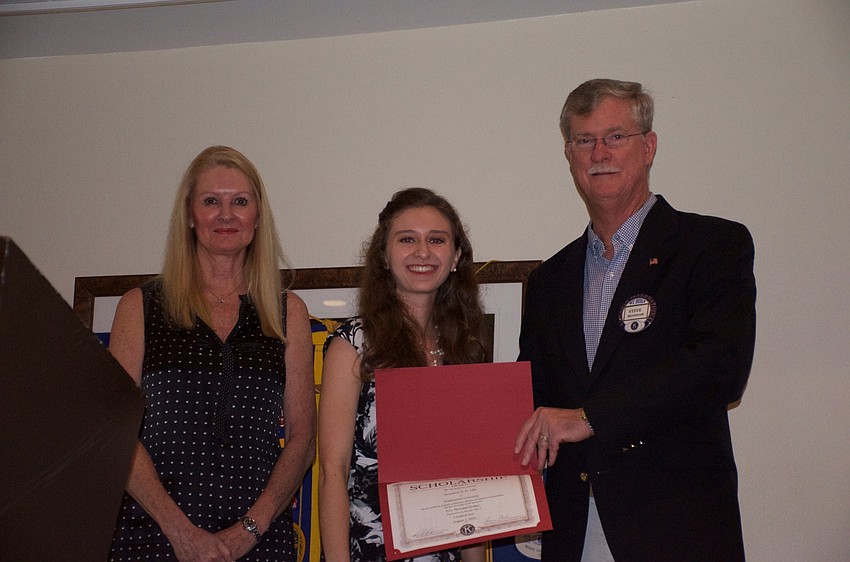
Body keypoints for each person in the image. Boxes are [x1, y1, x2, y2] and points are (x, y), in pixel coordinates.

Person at [514, 79, 756, 561]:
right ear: (569, 155)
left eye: (615, 136)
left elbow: (719, 369)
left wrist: (590, 418)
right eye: (585, 140)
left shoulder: (711, 246)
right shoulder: (547, 280)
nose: (599, 152)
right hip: (571, 530)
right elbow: (530, 397)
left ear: (648, 147)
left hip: (675, 525)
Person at [108, 146, 316, 561]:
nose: (226, 215)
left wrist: (248, 531)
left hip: (259, 545)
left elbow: (302, 438)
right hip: (152, 540)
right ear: (189, 215)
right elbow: (115, 433)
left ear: (257, 218)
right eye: (210, 201)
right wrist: (181, 533)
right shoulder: (139, 307)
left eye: (240, 201)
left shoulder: (287, 312)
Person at [318, 188, 487, 562]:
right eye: (407, 239)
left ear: (456, 256)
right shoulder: (353, 345)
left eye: (437, 240)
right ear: (383, 255)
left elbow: (471, 478)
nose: (423, 252)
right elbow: (332, 471)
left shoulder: (466, 351)